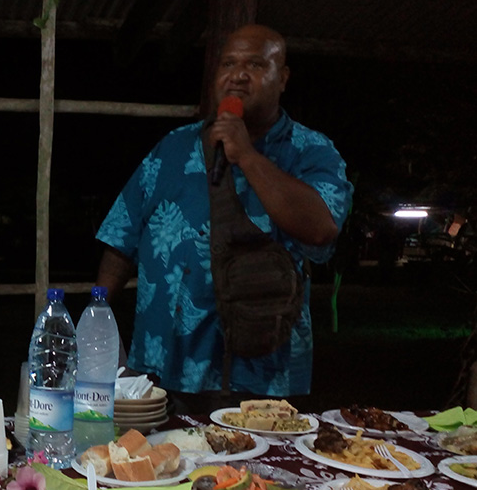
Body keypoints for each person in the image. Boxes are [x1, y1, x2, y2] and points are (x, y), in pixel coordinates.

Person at [95, 24, 353, 412]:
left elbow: (320, 228)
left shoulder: (310, 151)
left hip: (259, 376)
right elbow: (121, 236)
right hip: (158, 369)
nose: (237, 74)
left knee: (254, 474)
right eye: (228, 63)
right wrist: (97, 316)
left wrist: (246, 155)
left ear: (282, 79)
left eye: (254, 64)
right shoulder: (174, 147)